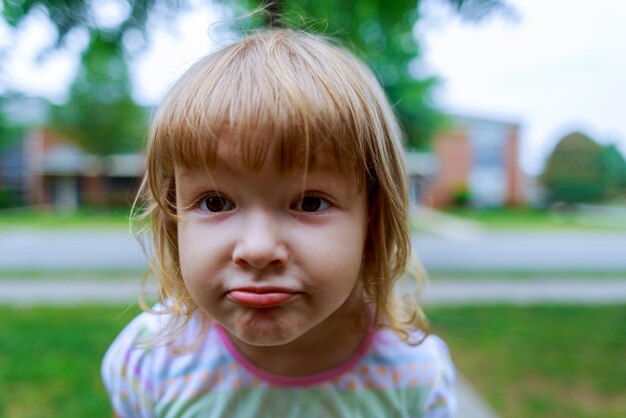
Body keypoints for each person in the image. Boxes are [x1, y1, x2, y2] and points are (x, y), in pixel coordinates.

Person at [102, 28, 456, 417]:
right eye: (215, 202)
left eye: (310, 202)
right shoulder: (149, 362)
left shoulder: (413, 378)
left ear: (372, 223)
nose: (257, 249)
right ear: (173, 220)